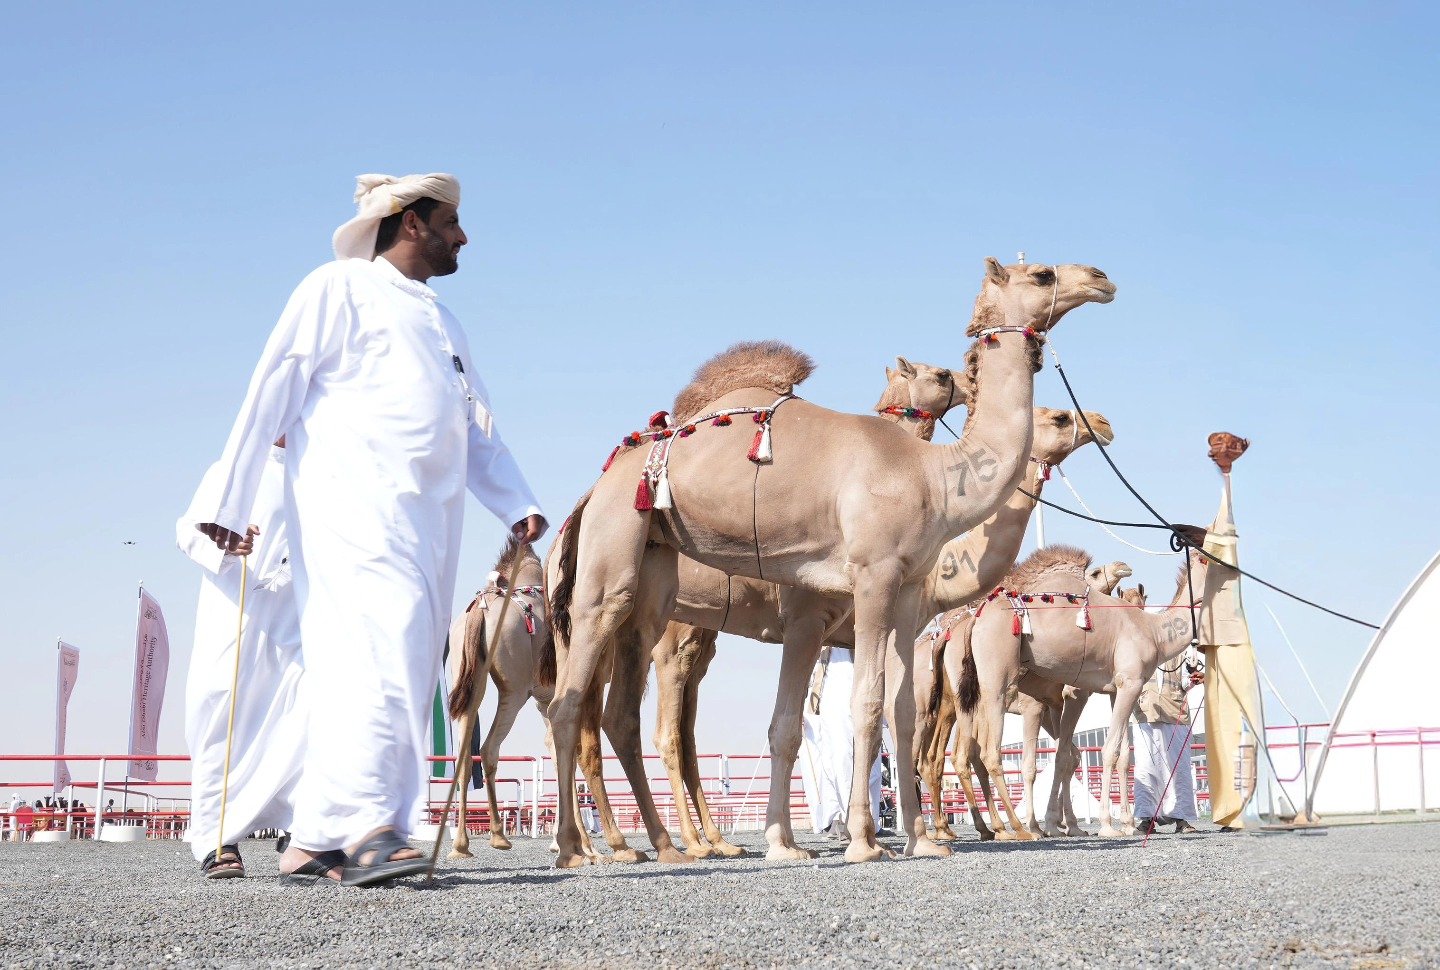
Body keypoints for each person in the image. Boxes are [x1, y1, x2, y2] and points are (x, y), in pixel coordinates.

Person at [189, 173, 546, 887]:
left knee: (409, 662)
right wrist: (229, 503)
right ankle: (371, 828)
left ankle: (314, 838)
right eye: (451, 221)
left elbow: (475, 424)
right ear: (411, 223)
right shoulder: (337, 289)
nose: (463, 236)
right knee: (379, 648)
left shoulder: (444, 321)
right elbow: (273, 383)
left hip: (427, 522)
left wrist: (516, 501)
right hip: (351, 507)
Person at [177, 437, 306, 880]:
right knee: (222, 716)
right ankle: (219, 841)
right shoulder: (234, 468)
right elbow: (187, 529)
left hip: (296, 619)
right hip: (237, 612)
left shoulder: (322, 472)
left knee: (301, 715)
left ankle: (301, 831)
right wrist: (224, 543)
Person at [799, 646, 883, 840]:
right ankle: (845, 819)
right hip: (831, 686)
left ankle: (869, 820)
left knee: (872, 760)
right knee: (837, 758)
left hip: (865, 674)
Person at [1133, 659, 1203, 834]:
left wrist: (1193, 676)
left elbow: (1186, 683)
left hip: (1175, 715)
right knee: (1146, 768)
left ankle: (1181, 819)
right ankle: (1146, 819)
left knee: (1178, 768)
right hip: (1145, 714)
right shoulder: (1139, 648)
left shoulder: (1180, 653)